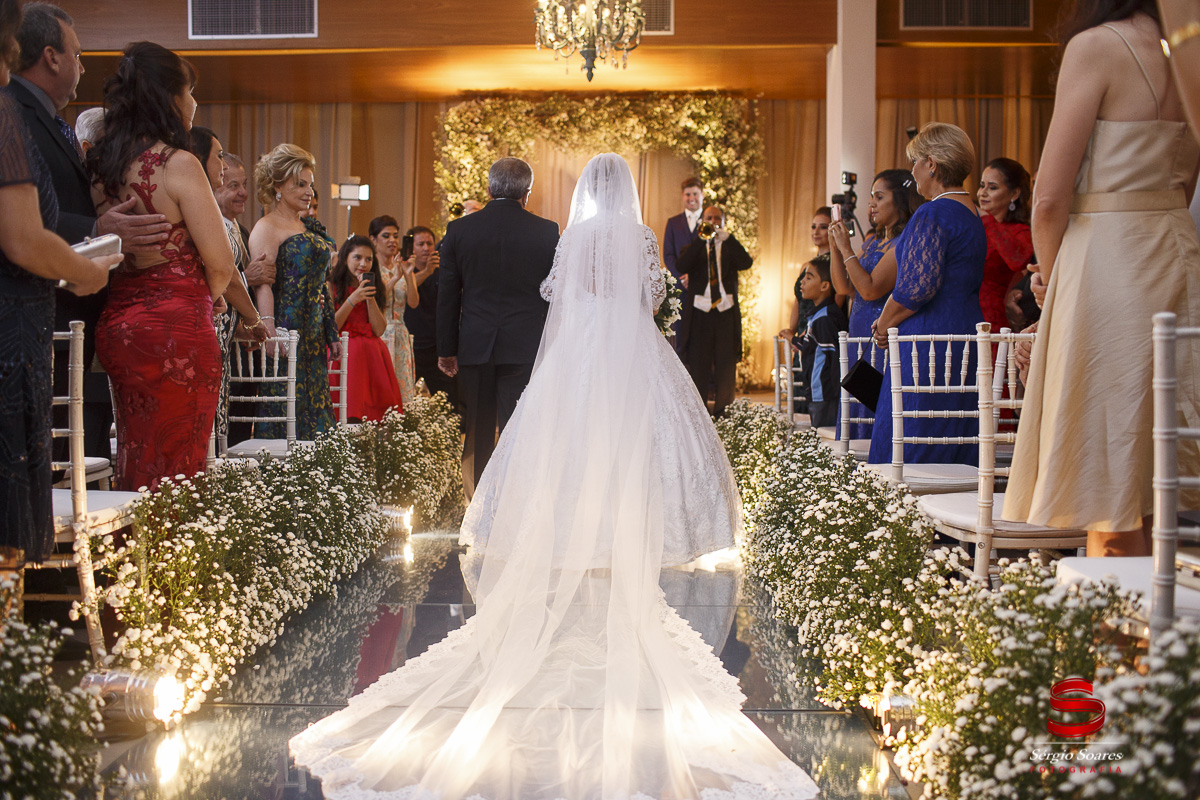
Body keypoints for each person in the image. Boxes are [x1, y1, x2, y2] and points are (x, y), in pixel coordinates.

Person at [289, 153, 820, 800]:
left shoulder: (569, 237)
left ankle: (554, 523)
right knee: (631, 438)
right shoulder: (628, 236)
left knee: (552, 438)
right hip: (626, 344)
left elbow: (559, 296)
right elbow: (652, 294)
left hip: (570, 346)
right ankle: (622, 525)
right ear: (623, 190)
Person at [1004, 0, 1200, 557]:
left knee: (1108, 464)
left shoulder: (1097, 45)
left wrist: (1050, 276)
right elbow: (1185, 187)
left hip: (1107, 260)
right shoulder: (1191, 54)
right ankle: (1152, 628)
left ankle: (1118, 632)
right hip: (1176, 252)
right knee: (1156, 465)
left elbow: (1048, 198)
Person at [4, 3, 171, 461]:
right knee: (39, 464)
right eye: (78, 55)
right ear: (52, 56)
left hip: (61, 310)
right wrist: (94, 229)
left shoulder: (42, 117)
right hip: (33, 307)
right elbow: (24, 219)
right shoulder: (14, 113)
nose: (83, 66)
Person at [0, 0, 116, 572]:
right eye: (76, 54)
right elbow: (25, 234)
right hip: (16, 315)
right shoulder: (8, 112)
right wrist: (87, 262)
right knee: (13, 477)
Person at [89, 42, 234, 492]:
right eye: (190, 92)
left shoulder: (100, 167)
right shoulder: (179, 163)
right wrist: (193, 303)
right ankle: (178, 558)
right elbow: (222, 262)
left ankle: (136, 556)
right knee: (181, 466)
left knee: (136, 453)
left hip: (119, 327)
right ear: (170, 97)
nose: (194, 104)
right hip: (176, 329)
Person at [437, 157, 559, 497]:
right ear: (527, 193)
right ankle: (515, 502)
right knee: (519, 427)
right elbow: (554, 295)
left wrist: (447, 350)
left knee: (476, 426)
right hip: (525, 346)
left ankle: (477, 504)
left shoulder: (459, 230)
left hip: (475, 344)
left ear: (489, 189)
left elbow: (448, 295)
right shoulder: (547, 231)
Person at [867, 122, 986, 466]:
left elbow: (917, 287)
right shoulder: (971, 213)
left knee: (914, 435)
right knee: (952, 429)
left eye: (915, 162)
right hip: (963, 336)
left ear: (931, 164)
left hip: (928, 343)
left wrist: (883, 323)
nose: (913, 171)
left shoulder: (932, 212)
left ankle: (906, 515)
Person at [249, 143, 339, 440]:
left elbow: (321, 287)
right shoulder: (267, 227)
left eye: (310, 185)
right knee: (285, 406)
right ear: (277, 186)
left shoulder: (308, 228)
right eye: (300, 184)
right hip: (287, 332)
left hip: (314, 334)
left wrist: (331, 332)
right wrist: (270, 329)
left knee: (317, 409)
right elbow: (264, 283)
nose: (309, 192)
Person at [827, 169, 924, 438]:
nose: (871, 204)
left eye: (879, 197)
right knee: (855, 404)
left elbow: (869, 290)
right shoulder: (871, 242)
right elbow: (844, 287)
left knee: (873, 405)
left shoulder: (901, 244)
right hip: (859, 333)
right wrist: (835, 248)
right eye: (871, 197)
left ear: (901, 201)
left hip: (879, 335)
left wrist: (847, 249)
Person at [188, 126, 268, 450]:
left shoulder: (219, 218)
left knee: (216, 430)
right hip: (206, 325)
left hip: (223, 332)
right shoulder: (202, 211)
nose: (222, 165)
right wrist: (253, 319)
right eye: (218, 157)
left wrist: (246, 322)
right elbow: (228, 272)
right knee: (204, 428)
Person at [677, 205, 753, 418]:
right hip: (700, 315)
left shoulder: (729, 246)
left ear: (723, 221)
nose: (713, 221)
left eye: (717, 218)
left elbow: (746, 262)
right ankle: (700, 415)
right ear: (702, 220)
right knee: (699, 365)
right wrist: (701, 241)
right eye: (709, 217)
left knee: (726, 366)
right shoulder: (693, 246)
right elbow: (682, 265)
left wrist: (728, 238)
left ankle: (724, 414)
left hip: (725, 313)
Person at [328, 234, 403, 421]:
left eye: (368, 259)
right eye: (357, 257)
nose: (363, 263)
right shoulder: (332, 286)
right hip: (344, 354)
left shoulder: (376, 288)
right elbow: (332, 326)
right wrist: (352, 299)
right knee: (347, 410)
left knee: (377, 415)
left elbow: (379, 329)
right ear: (346, 259)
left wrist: (369, 298)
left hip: (373, 355)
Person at [976, 157, 1033, 335]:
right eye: (982, 185)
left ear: (1014, 194)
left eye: (992, 187)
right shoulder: (973, 226)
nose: (982, 193)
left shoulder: (1020, 231)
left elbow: (1018, 261)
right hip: (961, 314)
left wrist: (986, 218)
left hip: (992, 320)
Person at [370, 214, 418, 406]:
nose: (392, 241)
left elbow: (414, 302)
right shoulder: (371, 267)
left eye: (395, 236)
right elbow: (375, 300)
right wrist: (394, 278)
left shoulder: (402, 266)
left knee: (402, 389)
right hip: (380, 332)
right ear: (374, 239)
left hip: (400, 331)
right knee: (380, 387)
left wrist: (408, 275)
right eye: (386, 236)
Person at [407, 225, 457, 406]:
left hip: (436, 347)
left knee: (447, 402)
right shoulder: (405, 271)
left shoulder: (443, 271)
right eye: (420, 244)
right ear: (411, 248)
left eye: (429, 243)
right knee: (404, 399)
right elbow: (405, 290)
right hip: (411, 346)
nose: (426, 248)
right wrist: (426, 271)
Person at [796, 258, 848, 428]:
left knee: (824, 438)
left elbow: (833, 361)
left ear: (825, 286)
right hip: (818, 393)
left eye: (809, 277)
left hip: (824, 395)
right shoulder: (818, 315)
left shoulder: (825, 318)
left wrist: (835, 394)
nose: (802, 281)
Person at [662, 176, 704, 350]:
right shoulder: (673, 223)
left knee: (702, 336)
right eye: (687, 194)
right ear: (682, 196)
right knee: (680, 336)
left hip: (703, 288)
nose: (691, 198)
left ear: (702, 194)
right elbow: (668, 254)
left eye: (695, 193)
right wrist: (683, 276)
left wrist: (695, 276)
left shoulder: (711, 220)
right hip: (681, 289)